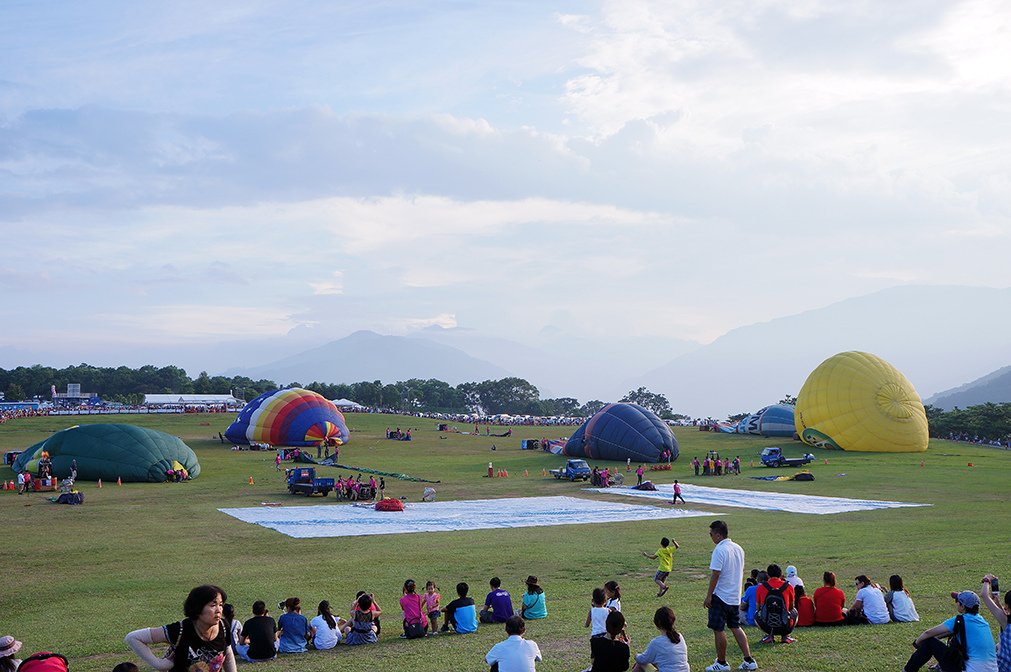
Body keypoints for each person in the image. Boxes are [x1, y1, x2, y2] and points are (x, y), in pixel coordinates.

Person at [125, 584, 238, 672]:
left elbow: (227, 653)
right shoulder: (180, 630)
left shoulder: (223, 626)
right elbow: (132, 638)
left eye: (221, 604)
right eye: (213, 605)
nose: (219, 610)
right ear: (198, 608)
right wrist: (160, 664)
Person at [703, 520, 757, 672]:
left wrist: (709, 596)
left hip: (720, 596)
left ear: (718, 535)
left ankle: (721, 663)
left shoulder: (719, 550)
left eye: (711, 534)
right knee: (735, 626)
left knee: (718, 629)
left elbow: (716, 574)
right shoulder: (738, 548)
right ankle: (748, 659)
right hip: (734, 595)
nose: (710, 537)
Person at [903, 590, 997, 672]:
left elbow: (928, 633)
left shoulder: (960, 620)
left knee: (929, 642)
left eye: (957, 601)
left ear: (963, 606)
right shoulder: (983, 621)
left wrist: (917, 642)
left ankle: (908, 670)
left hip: (970, 669)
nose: (956, 603)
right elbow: (946, 633)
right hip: (993, 669)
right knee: (952, 637)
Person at [632, 606, 690, 672]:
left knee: (640, 664)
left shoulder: (656, 643)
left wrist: (636, 656)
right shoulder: (680, 637)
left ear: (658, 623)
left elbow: (642, 659)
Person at [755, 564, 796, 644]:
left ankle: (769, 635)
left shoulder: (761, 587)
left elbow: (758, 607)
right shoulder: (788, 586)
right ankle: (786, 636)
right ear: (780, 574)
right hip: (784, 623)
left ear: (768, 575)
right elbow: (791, 606)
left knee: (756, 614)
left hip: (767, 624)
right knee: (794, 611)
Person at [980, 574, 1009, 672]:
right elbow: (1005, 614)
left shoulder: (1006, 622)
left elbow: (984, 595)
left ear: (1007, 607)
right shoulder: (1005, 619)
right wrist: (998, 603)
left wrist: (986, 580)